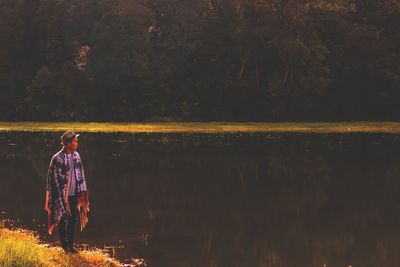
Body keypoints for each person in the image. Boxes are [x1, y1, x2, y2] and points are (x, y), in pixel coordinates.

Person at [44, 130, 90, 253]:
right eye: (75, 141)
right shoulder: (57, 158)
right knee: (62, 219)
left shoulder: (76, 156)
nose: (77, 143)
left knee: (73, 220)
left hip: (75, 193)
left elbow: (81, 176)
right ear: (68, 143)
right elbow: (52, 180)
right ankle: (64, 246)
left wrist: (82, 193)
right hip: (61, 196)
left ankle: (70, 245)